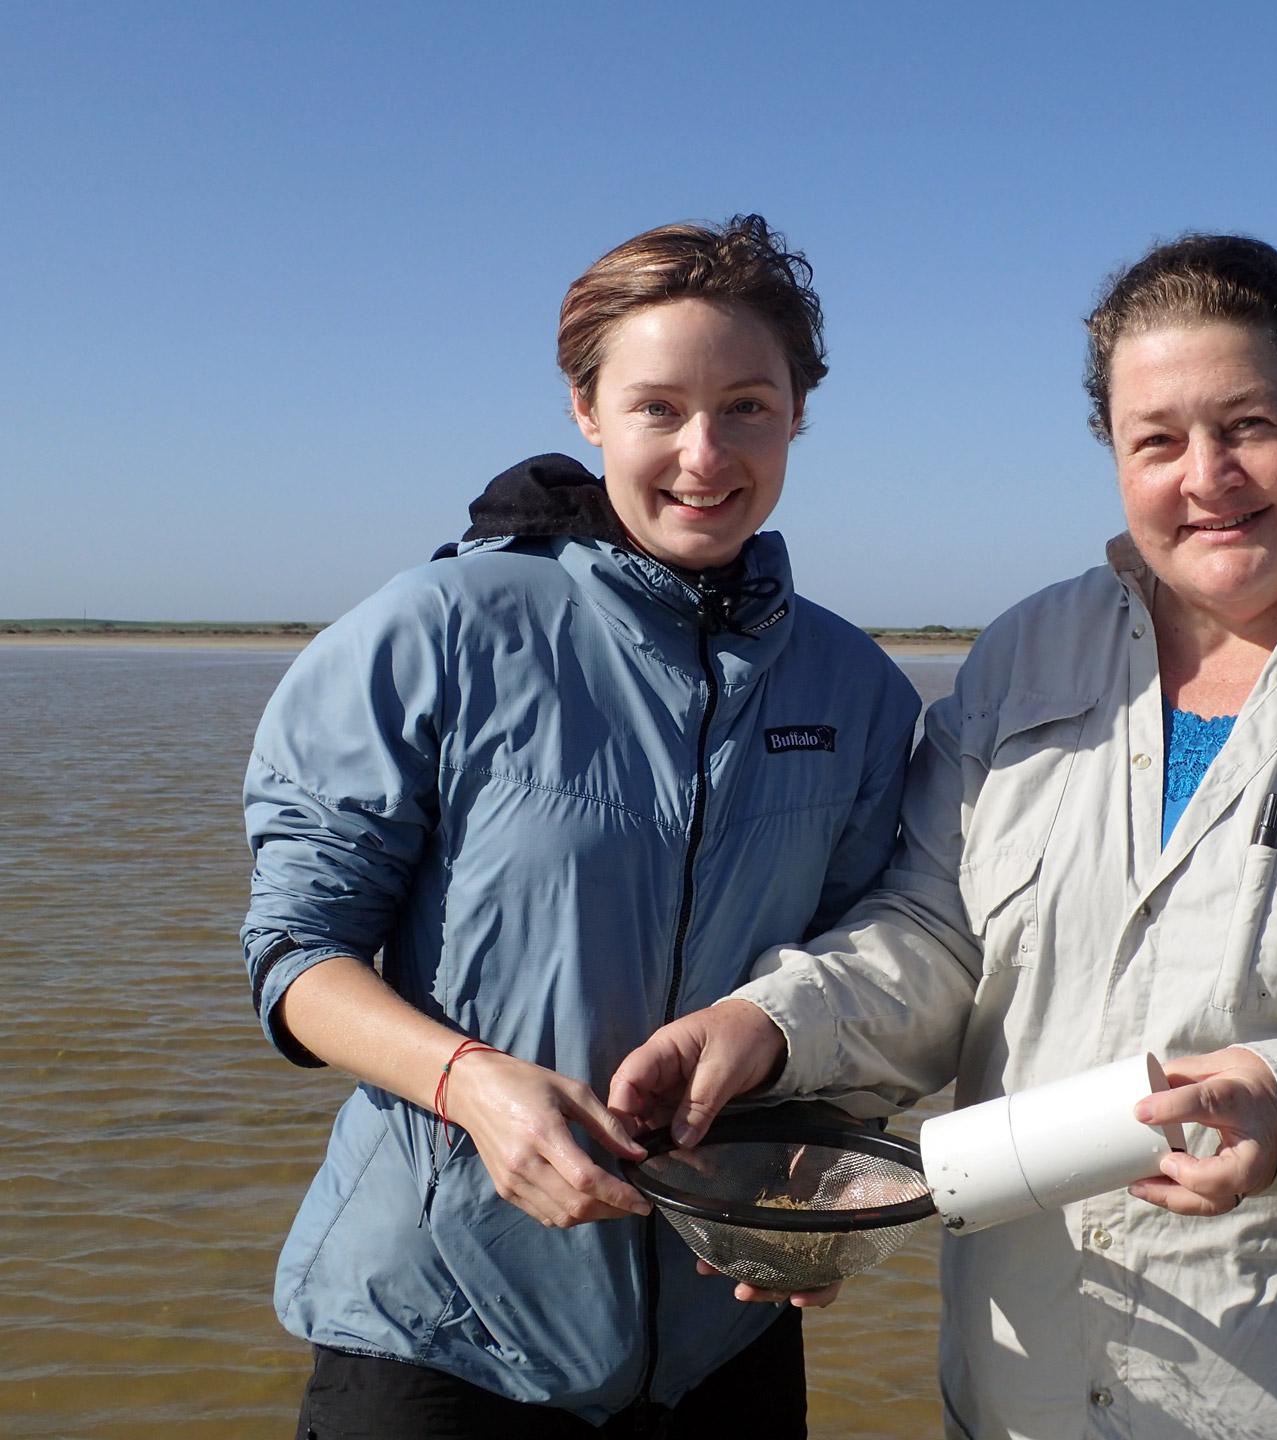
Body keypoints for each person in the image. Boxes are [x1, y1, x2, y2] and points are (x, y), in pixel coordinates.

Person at [613, 233, 1277, 1439]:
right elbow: (932, 934)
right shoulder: (1027, 657)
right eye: (1158, 441)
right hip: (1032, 1392)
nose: (1208, 476)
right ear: (1115, 457)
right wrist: (770, 1028)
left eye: (1250, 425)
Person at [240, 214, 920, 1438]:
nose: (704, 454)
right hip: (438, 1326)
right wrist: (473, 1085)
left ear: (798, 415)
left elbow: (858, 982)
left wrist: (815, 1191)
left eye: (748, 407)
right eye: (657, 408)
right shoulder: (437, 630)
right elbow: (296, 959)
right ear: (586, 409)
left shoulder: (857, 687)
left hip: (727, 1324)